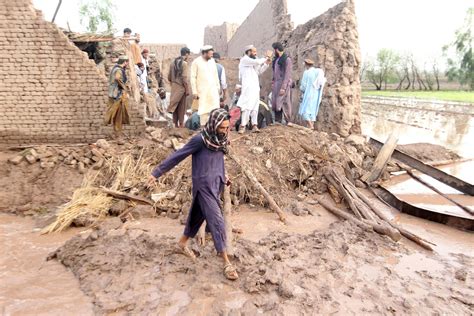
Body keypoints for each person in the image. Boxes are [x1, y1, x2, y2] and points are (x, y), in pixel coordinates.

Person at [148, 108, 238, 281]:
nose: (225, 131)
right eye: (222, 128)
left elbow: (218, 161)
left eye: (227, 128)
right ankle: (226, 262)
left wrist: (223, 176)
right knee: (218, 221)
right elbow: (178, 156)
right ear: (213, 125)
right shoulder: (200, 140)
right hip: (203, 186)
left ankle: (182, 243)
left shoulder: (220, 140)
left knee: (197, 216)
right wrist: (156, 173)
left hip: (215, 185)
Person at [237, 45, 272, 134]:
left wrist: (266, 64)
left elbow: (259, 71)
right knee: (246, 107)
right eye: (254, 52)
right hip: (247, 87)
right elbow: (257, 62)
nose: (255, 53)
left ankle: (254, 125)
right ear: (248, 52)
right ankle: (243, 125)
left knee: (255, 106)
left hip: (255, 87)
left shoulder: (253, 62)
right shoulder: (245, 60)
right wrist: (266, 57)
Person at [190, 45, 220, 127]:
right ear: (204, 53)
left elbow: (215, 75)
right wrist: (194, 91)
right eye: (210, 54)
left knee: (214, 109)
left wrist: (218, 87)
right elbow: (193, 78)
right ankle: (203, 128)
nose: (211, 56)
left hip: (213, 90)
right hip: (202, 91)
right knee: (204, 110)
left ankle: (213, 128)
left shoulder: (212, 61)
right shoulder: (196, 62)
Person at [105, 55, 130, 141]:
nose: (127, 64)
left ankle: (116, 133)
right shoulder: (119, 70)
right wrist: (124, 87)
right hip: (117, 96)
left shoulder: (114, 68)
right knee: (118, 115)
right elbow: (117, 78)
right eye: (127, 63)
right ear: (125, 62)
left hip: (113, 95)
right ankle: (118, 136)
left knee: (115, 115)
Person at [298, 59, 326, 129]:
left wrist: (301, 89)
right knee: (313, 111)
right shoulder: (317, 71)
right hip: (316, 94)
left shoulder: (306, 72)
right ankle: (310, 126)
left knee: (305, 110)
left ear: (306, 64)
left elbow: (303, 86)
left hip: (308, 94)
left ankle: (310, 126)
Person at [168, 47, 191, 128]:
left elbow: (169, 77)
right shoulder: (184, 64)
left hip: (174, 87)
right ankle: (181, 124)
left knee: (175, 106)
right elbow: (184, 78)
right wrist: (187, 90)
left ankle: (175, 124)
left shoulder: (172, 63)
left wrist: (173, 84)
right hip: (181, 88)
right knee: (182, 107)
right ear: (187, 54)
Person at [271, 42, 293, 124]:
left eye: (274, 50)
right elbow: (274, 73)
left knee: (285, 102)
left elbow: (287, 75)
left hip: (284, 84)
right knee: (275, 102)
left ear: (276, 50)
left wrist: (283, 87)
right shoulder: (276, 60)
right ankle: (278, 121)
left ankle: (288, 121)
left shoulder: (287, 60)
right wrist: (273, 82)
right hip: (276, 84)